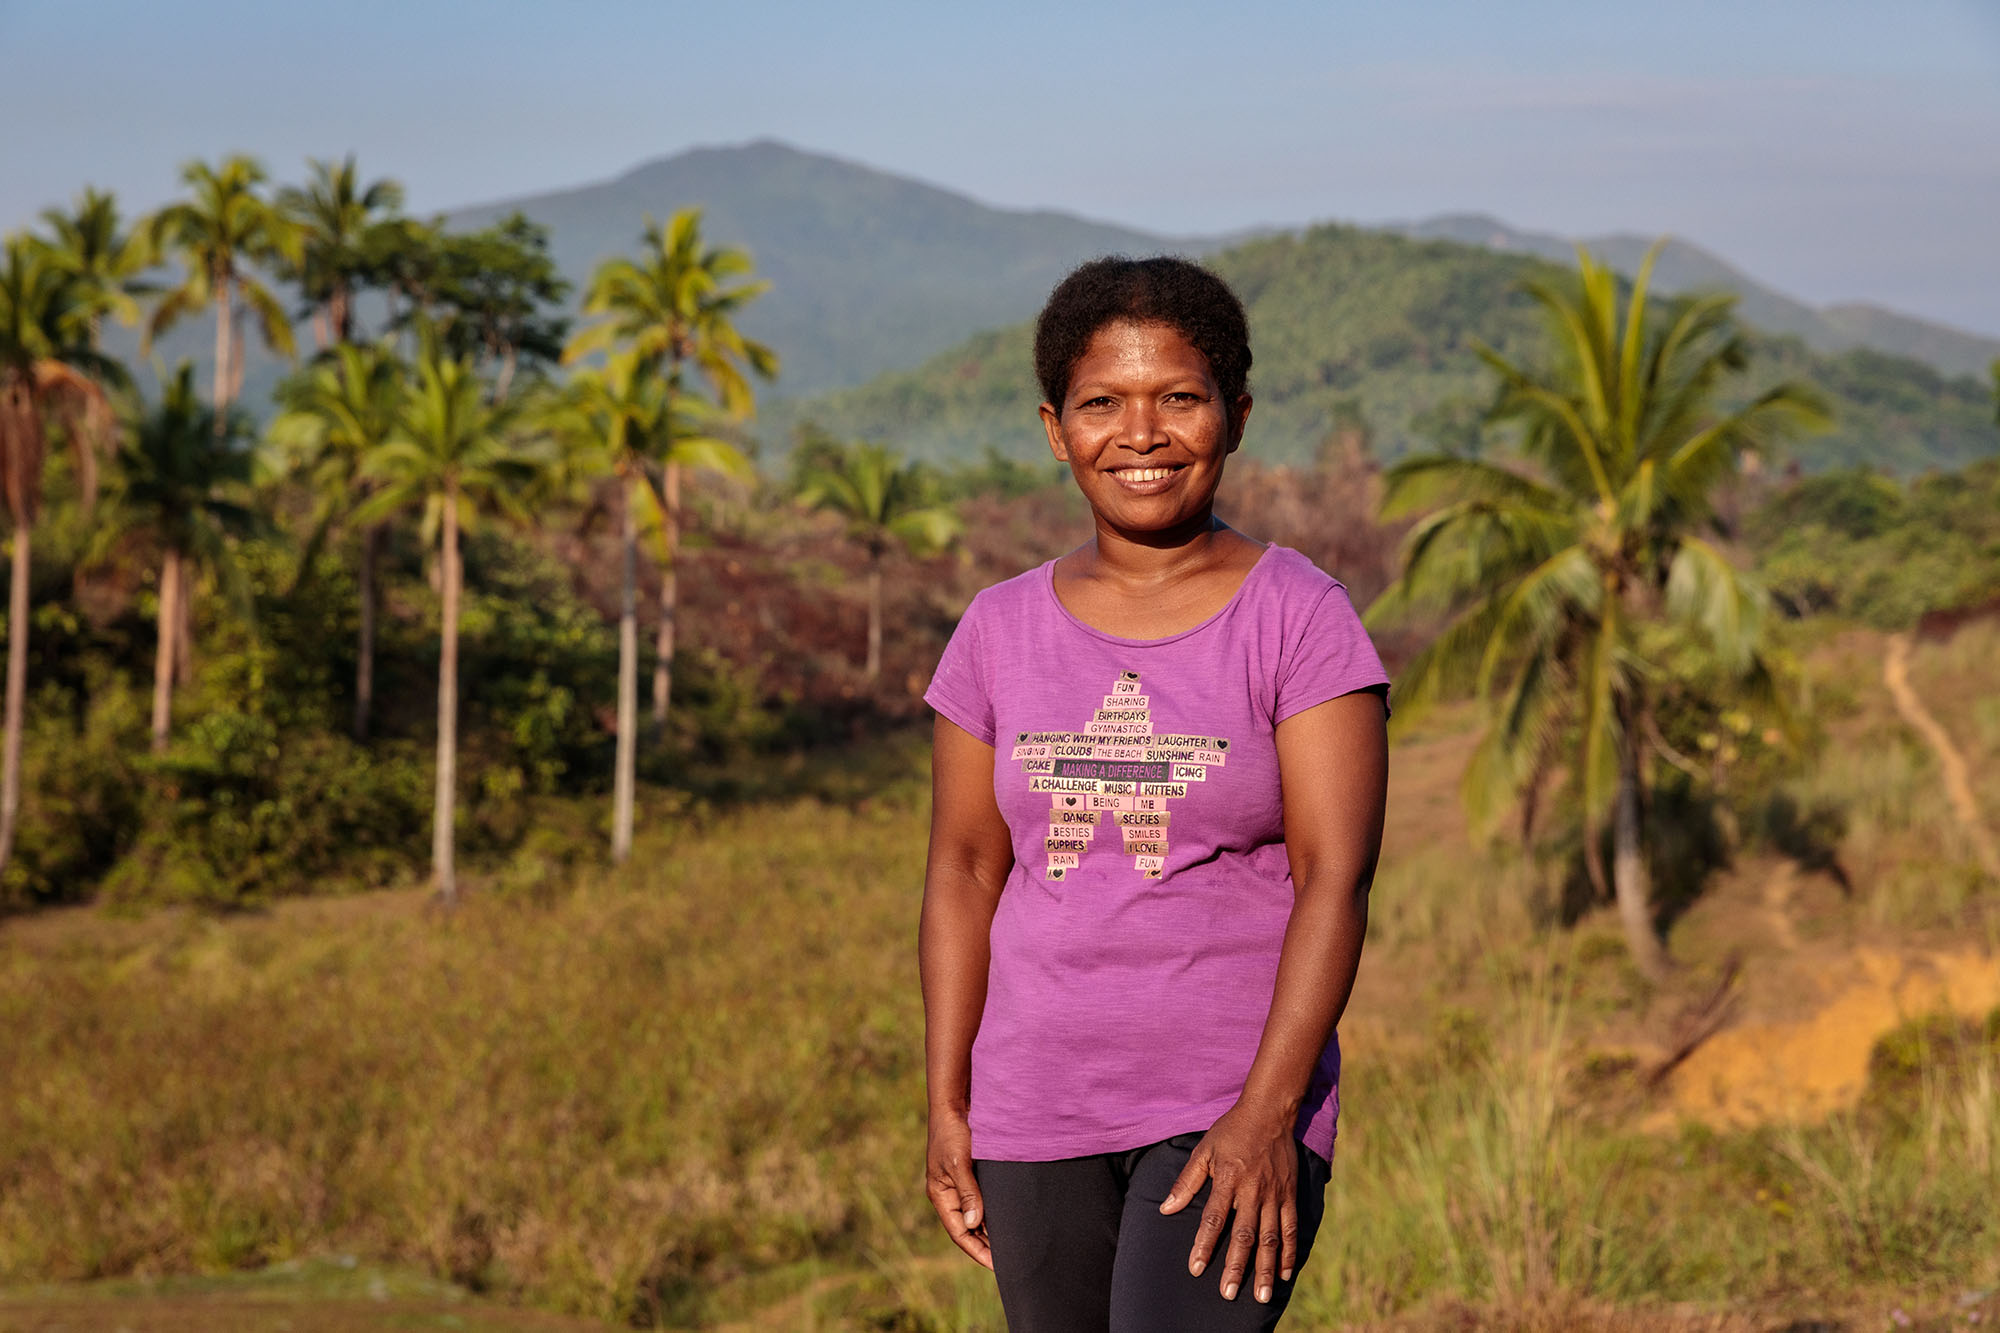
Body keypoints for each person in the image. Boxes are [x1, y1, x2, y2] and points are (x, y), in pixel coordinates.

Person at [919, 255, 1392, 1332]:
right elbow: (963, 869)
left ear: (1234, 414)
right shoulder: (996, 629)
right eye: (1101, 404)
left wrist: (1268, 1118)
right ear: (1054, 428)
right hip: (1033, 1104)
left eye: (1178, 397)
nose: (1140, 433)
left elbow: (1334, 880)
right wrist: (949, 1101)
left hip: (1225, 1103)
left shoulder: (1299, 618)